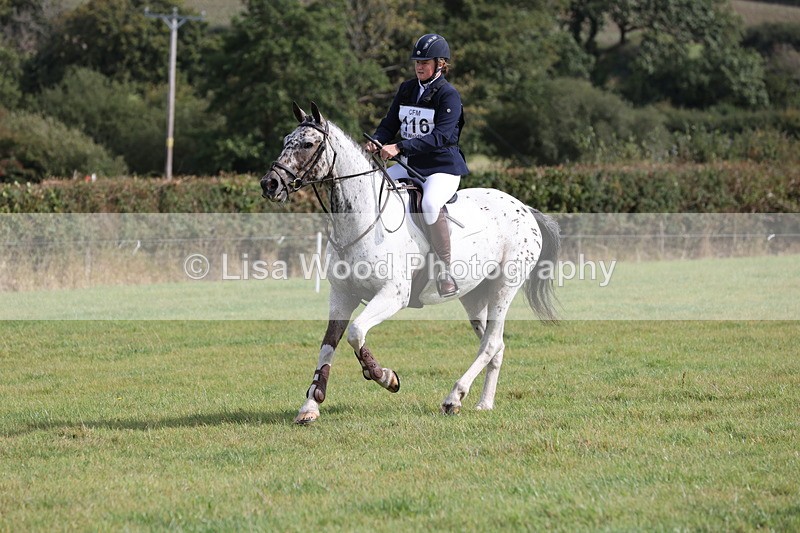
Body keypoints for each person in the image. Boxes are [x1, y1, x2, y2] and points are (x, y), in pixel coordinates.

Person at [366, 33, 469, 298]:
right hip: (410, 163)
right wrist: (377, 141)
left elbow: (441, 137)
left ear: (441, 64)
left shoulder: (448, 96)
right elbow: (390, 123)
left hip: (441, 168)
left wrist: (399, 147)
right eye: (417, 62)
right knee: (374, 188)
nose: (419, 66)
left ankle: (445, 270)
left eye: (426, 62)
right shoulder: (408, 89)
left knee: (430, 204)